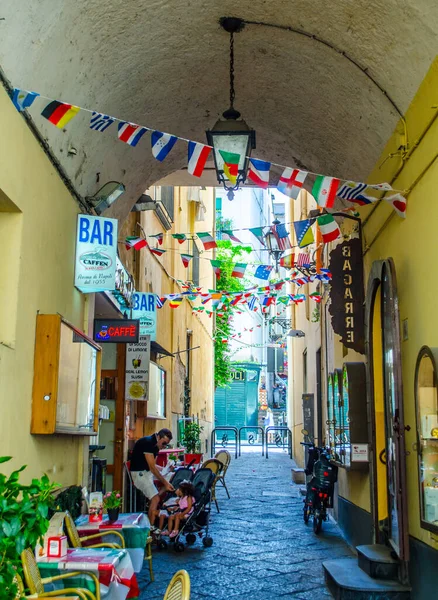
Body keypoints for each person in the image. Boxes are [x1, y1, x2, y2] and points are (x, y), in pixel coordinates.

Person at [130, 428, 174, 528]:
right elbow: (152, 468)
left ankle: (151, 505)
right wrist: (166, 484)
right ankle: (150, 529)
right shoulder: (148, 443)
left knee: (170, 477)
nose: (164, 446)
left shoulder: (156, 445)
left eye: (166, 444)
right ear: (159, 437)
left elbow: (153, 466)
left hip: (146, 472)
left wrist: (166, 469)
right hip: (140, 473)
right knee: (156, 498)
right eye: (164, 443)